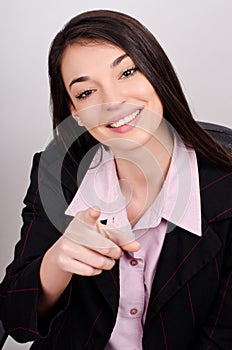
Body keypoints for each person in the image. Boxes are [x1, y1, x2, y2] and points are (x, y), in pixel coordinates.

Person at [0, 9, 231, 350]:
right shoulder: (58, 171)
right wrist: (57, 261)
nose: (112, 102)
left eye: (126, 72)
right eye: (86, 93)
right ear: (75, 113)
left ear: (156, 72)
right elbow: (16, 320)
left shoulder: (224, 182)